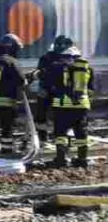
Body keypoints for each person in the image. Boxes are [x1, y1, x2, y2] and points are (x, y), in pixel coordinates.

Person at [44, 39, 95, 168]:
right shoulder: (87, 68)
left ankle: (61, 160)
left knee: (60, 133)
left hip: (62, 105)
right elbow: (91, 90)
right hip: (81, 105)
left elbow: (49, 85)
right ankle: (82, 159)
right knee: (81, 133)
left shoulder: (56, 66)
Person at [29, 35, 74, 148]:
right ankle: (43, 138)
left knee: (62, 117)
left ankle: (62, 140)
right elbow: (40, 72)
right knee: (41, 116)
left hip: (61, 92)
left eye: (63, 44)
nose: (60, 46)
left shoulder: (71, 58)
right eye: (58, 44)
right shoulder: (47, 57)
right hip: (46, 90)